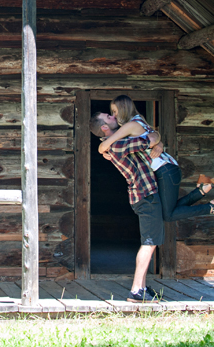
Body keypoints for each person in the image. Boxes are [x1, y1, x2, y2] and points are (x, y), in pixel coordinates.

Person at [94, 95, 214, 224]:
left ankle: (213, 207)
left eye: (114, 111)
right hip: (166, 169)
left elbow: (109, 142)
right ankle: (202, 189)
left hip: (165, 169)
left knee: (168, 215)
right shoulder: (137, 120)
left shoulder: (129, 126)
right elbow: (147, 138)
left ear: (123, 109)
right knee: (169, 212)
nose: (114, 115)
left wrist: (102, 148)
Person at [88, 115, 164, 302]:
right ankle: (136, 290)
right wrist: (158, 140)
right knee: (149, 242)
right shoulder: (117, 145)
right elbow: (150, 139)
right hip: (146, 194)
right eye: (108, 116)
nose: (113, 116)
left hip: (142, 194)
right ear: (105, 127)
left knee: (149, 241)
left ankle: (143, 287)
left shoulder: (113, 144)